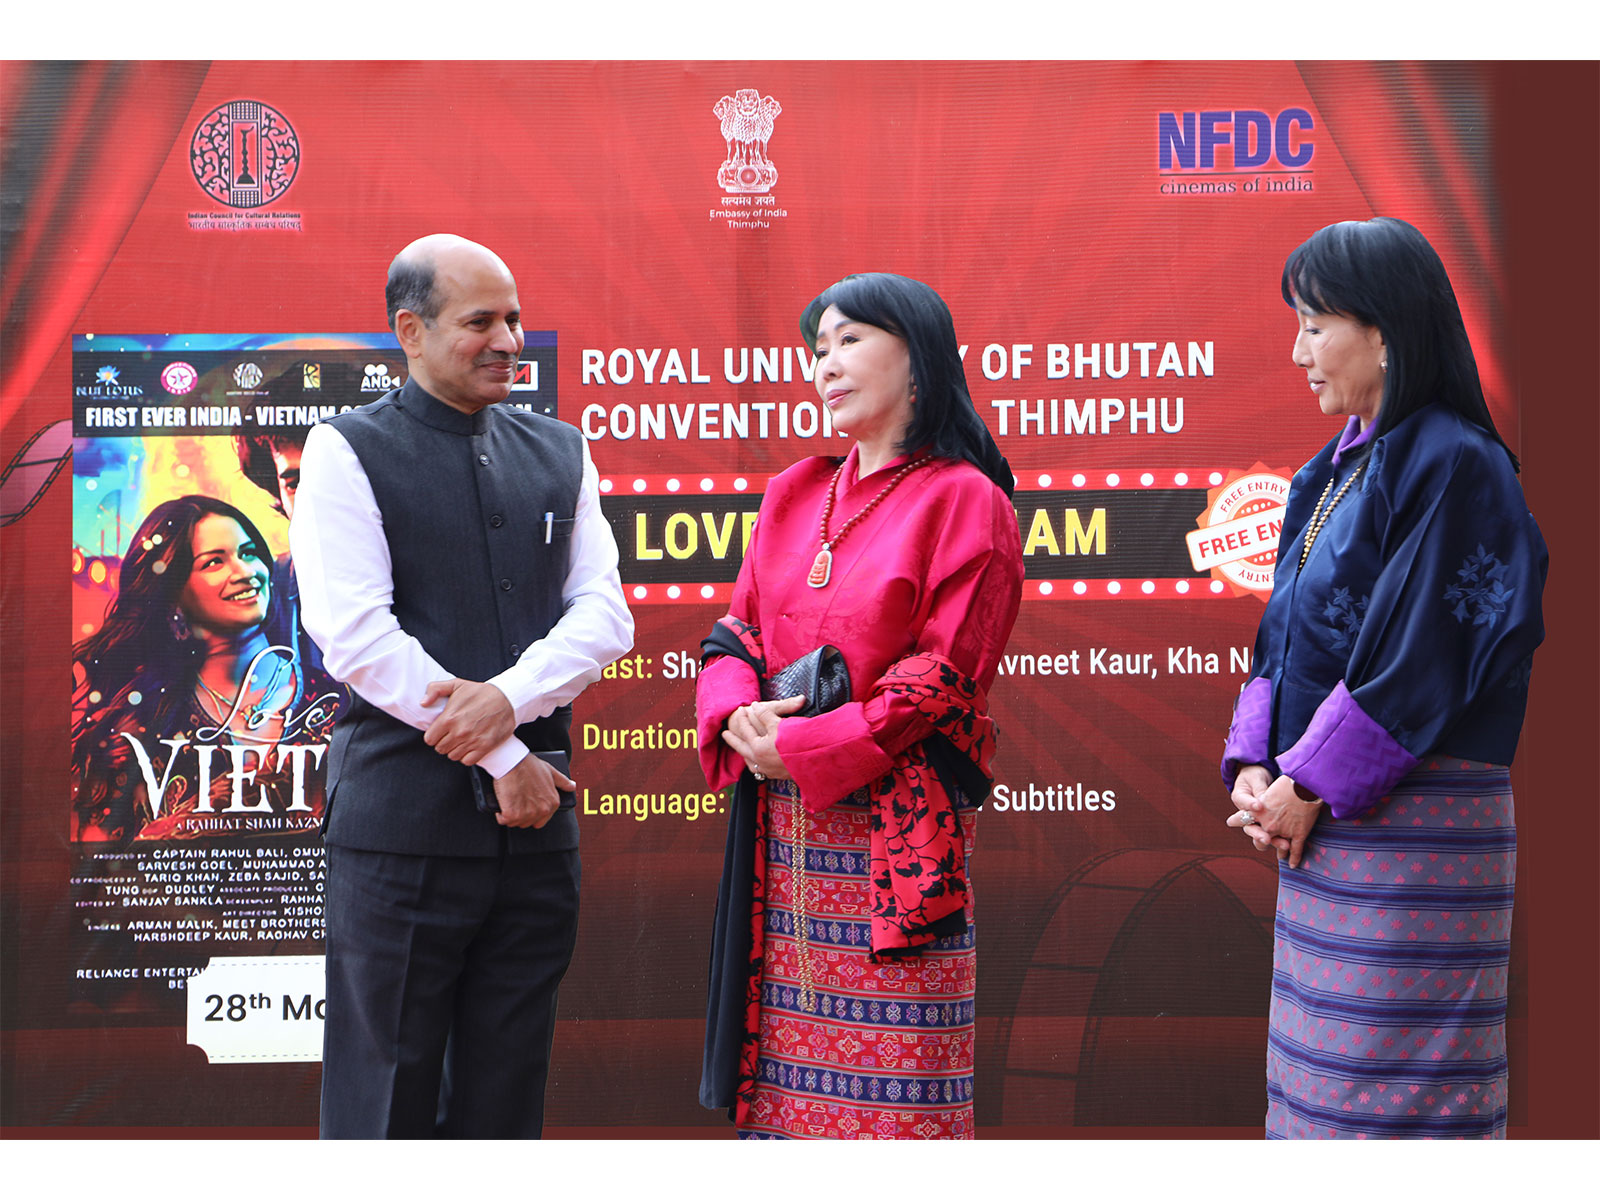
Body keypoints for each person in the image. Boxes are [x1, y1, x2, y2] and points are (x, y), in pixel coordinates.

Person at [290, 234, 632, 1139]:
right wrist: (505, 751)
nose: (508, 340)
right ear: (410, 329)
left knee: (504, 1103)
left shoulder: (561, 448)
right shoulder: (344, 449)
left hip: (535, 844)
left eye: (515, 319)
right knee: (385, 1102)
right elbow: (356, 638)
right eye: (480, 321)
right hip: (403, 838)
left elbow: (605, 618)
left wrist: (507, 704)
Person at [1222, 217, 1546, 1140]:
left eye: (1315, 324)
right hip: (1322, 821)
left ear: (1388, 332)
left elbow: (1429, 653)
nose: (1297, 352)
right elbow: (1280, 637)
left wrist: (1306, 781)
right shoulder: (1328, 471)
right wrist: (1256, 761)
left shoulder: (1456, 459)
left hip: (1416, 825)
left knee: (1396, 1094)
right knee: (1321, 1089)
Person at [695, 272, 1024, 1139]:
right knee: (783, 1104)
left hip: (894, 844)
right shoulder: (795, 491)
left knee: (896, 1114)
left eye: (849, 341)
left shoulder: (965, 499)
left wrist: (800, 746)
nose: (826, 366)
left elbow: (939, 683)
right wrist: (738, 716)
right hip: (783, 844)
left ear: (918, 360)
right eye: (818, 349)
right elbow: (736, 634)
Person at [71, 494, 344, 843]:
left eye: (248, 553)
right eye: (214, 562)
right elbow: (105, 871)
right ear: (174, 595)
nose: (246, 571)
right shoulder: (140, 728)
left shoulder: (336, 700)